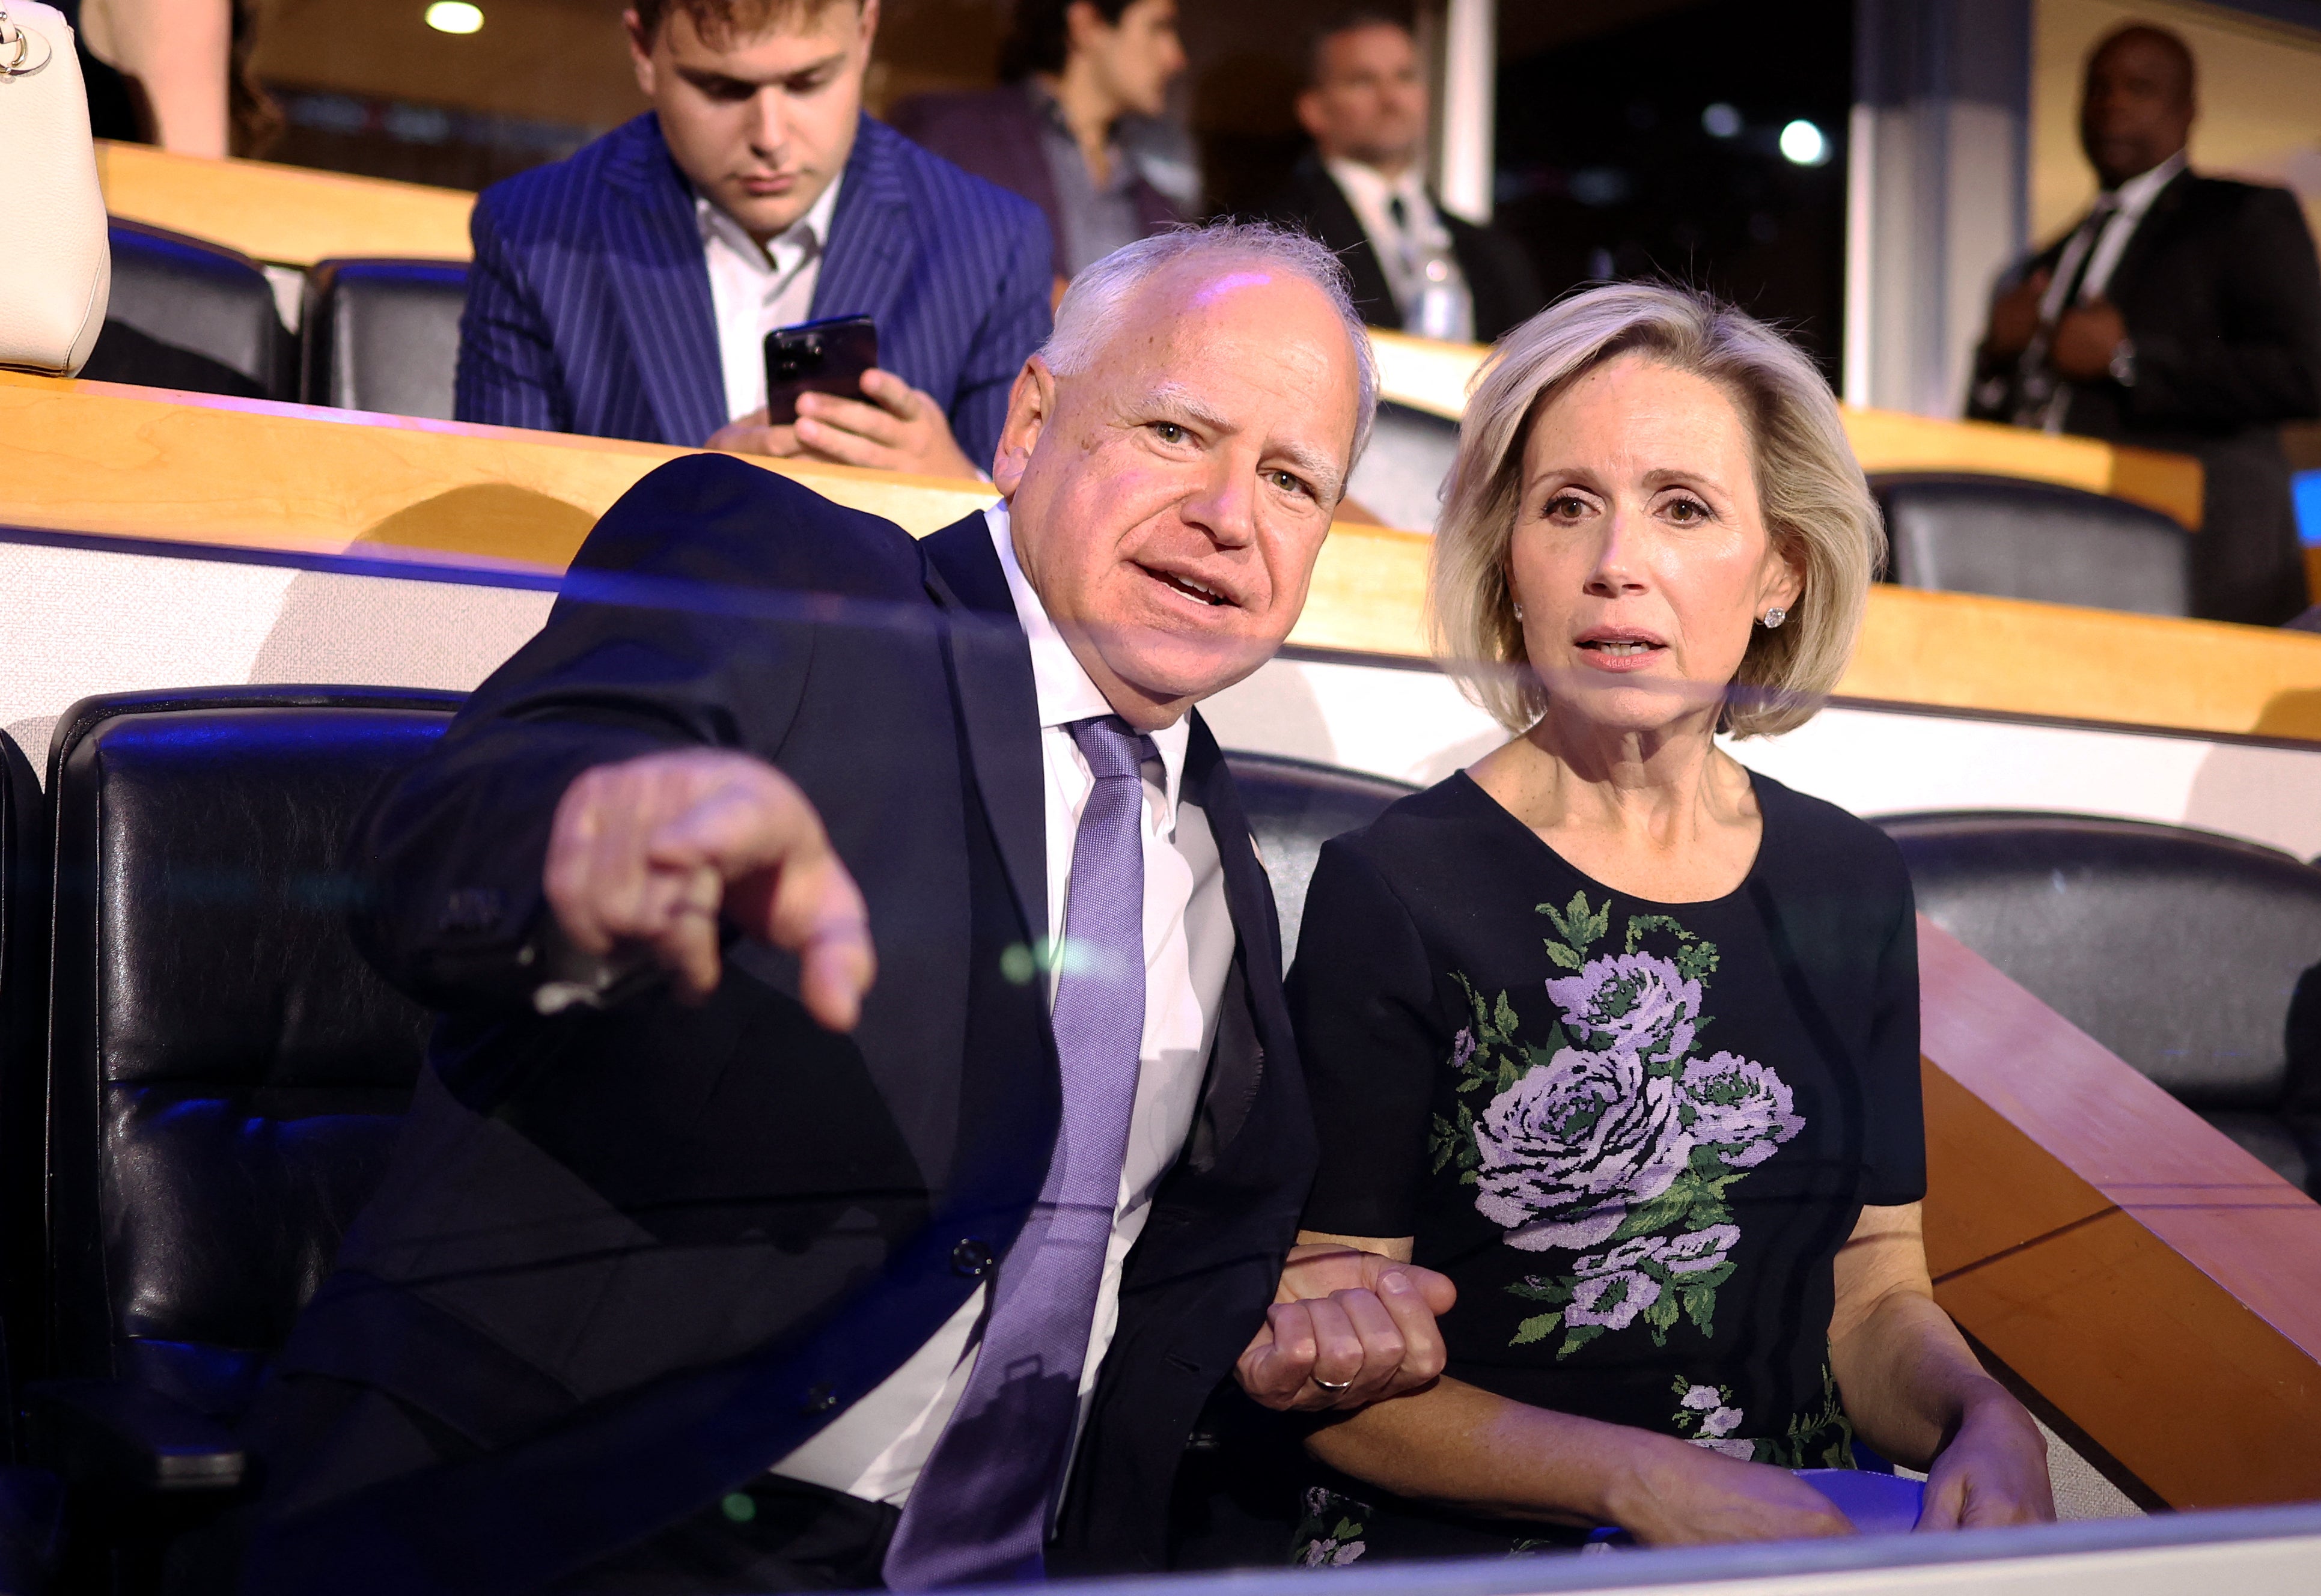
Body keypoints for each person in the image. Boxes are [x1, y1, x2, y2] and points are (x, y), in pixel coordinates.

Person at [235, 222, 1453, 1595]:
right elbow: (462, 837)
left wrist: (1276, 1323)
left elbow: (1109, 1265)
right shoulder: (798, 582)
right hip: (593, 1521)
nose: (1231, 512)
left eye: (1293, 480)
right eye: (1179, 431)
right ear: (1030, 425)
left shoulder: (1212, 844)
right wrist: (588, 846)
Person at [1278, 283, 2057, 1562]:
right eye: (1566, 504)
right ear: (1507, 563)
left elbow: (1872, 1287)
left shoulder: (1849, 879)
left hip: (1804, 1544)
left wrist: (1981, 1413)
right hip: (1487, 1546)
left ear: (1779, 572)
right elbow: (1324, 1366)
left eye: (1682, 507)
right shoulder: (1397, 887)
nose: (1613, 562)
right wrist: (1641, 1481)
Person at [453, 0, 1054, 481]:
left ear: (867, 29)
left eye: (808, 82)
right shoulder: (533, 234)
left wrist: (958, 489)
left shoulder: (992, 244)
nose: (770, 136)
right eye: (723, 90)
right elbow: (502, 536)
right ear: (642, 50)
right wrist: (686, 507)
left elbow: (1015, 581)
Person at [1966, 23, 2321, 627]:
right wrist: (1995, 361)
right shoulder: (2041, 266)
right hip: (2056, 564)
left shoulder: (2243, 218)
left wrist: (2129, 361)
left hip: (2207, 569)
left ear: (2187, 111)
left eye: (2140, 88)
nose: (2113, 104)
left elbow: (2304, 379)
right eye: (2099, 88)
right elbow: (1990, 430)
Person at [1263, 8, 1541, 346]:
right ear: (1315, 109)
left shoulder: (1495, 251)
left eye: (1405, 77)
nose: (1391, 99)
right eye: (1363, 81)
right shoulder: (1276, 236)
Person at [891, 0, 1186, 297]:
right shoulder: (954, 134)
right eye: (1157, 27)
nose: (1176, 58)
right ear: (1086, 25)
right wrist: (1037, 300)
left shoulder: (1156, 204)